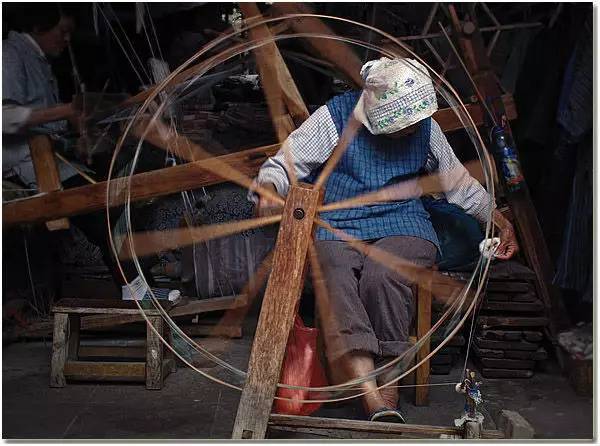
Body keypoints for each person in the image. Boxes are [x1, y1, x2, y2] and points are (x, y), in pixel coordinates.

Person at [250, 57, 518, 422]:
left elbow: (460, 187)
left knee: (384, 274)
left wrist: (501, 221)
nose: (410, 131)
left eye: (414, 124)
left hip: (403, 220)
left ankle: (386, 384)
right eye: (400, 127)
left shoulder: (424, 127)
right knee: (335, 275)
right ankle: (371, 394)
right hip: (339, 221)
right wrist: (268, 190)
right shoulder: (335, 118)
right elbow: (282, 166)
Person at [2, 4, 158, 294]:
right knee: (104, 215)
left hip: (50, 160)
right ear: (38, 27)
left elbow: (49, 127)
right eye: (63, 31)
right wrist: (66, 110)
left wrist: (77, 138)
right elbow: (5, 118)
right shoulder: (10, 54)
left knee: (115, 205)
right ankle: (136, 291)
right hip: (27, 164)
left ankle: (140, 287)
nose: (66, 39)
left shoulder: (38, 59)